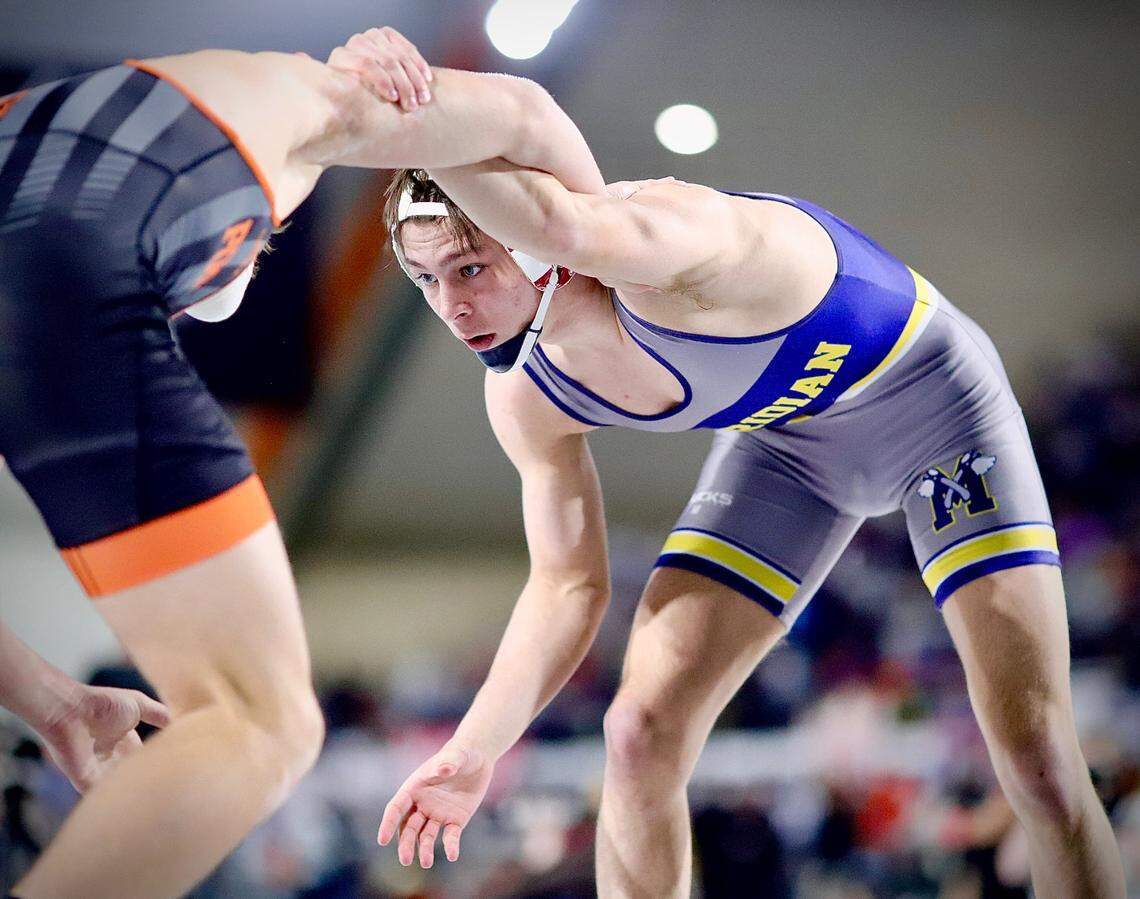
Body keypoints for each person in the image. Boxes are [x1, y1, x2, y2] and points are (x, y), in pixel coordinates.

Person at [366, 96, 1128, 899]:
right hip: (789, 448)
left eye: (471, 269)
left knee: (1037, 757)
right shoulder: (527, 394)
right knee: (638, 732)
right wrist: (477, 745)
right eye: (425, 279)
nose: (451, 307)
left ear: (530, 239)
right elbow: (568, 585)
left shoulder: (663, 239)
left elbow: (528, 117)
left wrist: (406, 101)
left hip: (934, 408)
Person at [0, 27, 606, 899]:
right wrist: (595, 263)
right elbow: (527, 110)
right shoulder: (304, 97)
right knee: (263, 722)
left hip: (53, 238)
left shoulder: (101, 121)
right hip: (73, 259)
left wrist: (54, 703)